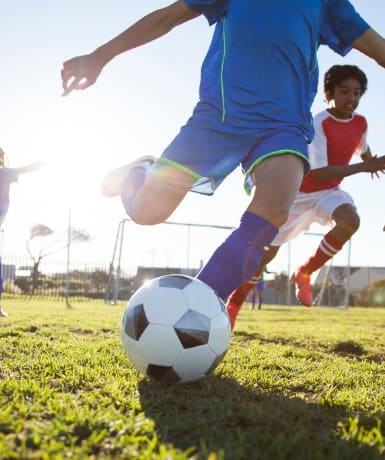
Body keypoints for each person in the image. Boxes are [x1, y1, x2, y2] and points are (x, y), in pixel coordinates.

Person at [61, 1, 385, 310]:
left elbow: (379, 49)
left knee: (274, 209)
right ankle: (142, 171)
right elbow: (166, 18)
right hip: (218, 118)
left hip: (284, 124)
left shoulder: (327, 2)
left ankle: (198, 306)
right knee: (147, 212)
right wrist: (100, 56)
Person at [226, 64, 385, 329]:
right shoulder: (319, 123)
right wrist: (365, 166)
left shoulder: (360, 123)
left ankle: (305, 272)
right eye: (344, 91)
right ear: (329, 93)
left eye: (357, 93)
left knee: (350, 220)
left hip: (328, 193)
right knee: (266, 255)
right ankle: (235, 302)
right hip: (298, 193)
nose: (352, 98)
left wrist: (373, 162)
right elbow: (321, 173)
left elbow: (363, 149)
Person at [0, 147, 41, 317]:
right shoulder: (3, 173)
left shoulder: (4, 173)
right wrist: (39, 164)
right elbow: (24, 170)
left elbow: (19, 171)